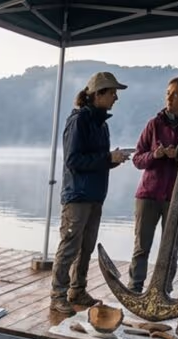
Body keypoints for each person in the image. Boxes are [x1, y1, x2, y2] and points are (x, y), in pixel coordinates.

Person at [50, 71, 130, 314]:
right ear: (98, 94)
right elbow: (73, 160)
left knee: (87, 246)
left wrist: (114, 159)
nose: (116, 97)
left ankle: (78, 290)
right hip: (77, 196)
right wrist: (107, 157)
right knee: (70, 246)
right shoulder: (79, 121)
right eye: (113, 92)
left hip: (95, 195)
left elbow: (95, 160)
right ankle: (58, 295)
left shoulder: (101, 124)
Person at [130, 75, 178, 295]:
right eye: (168, 93)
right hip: (148, 194)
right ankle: (135, 289)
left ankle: (163, 291)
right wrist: (155, 155)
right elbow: (137, 159)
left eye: (175, 94)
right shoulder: (154, 124)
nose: (169, 98)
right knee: (141, 247)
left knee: (171, 248)